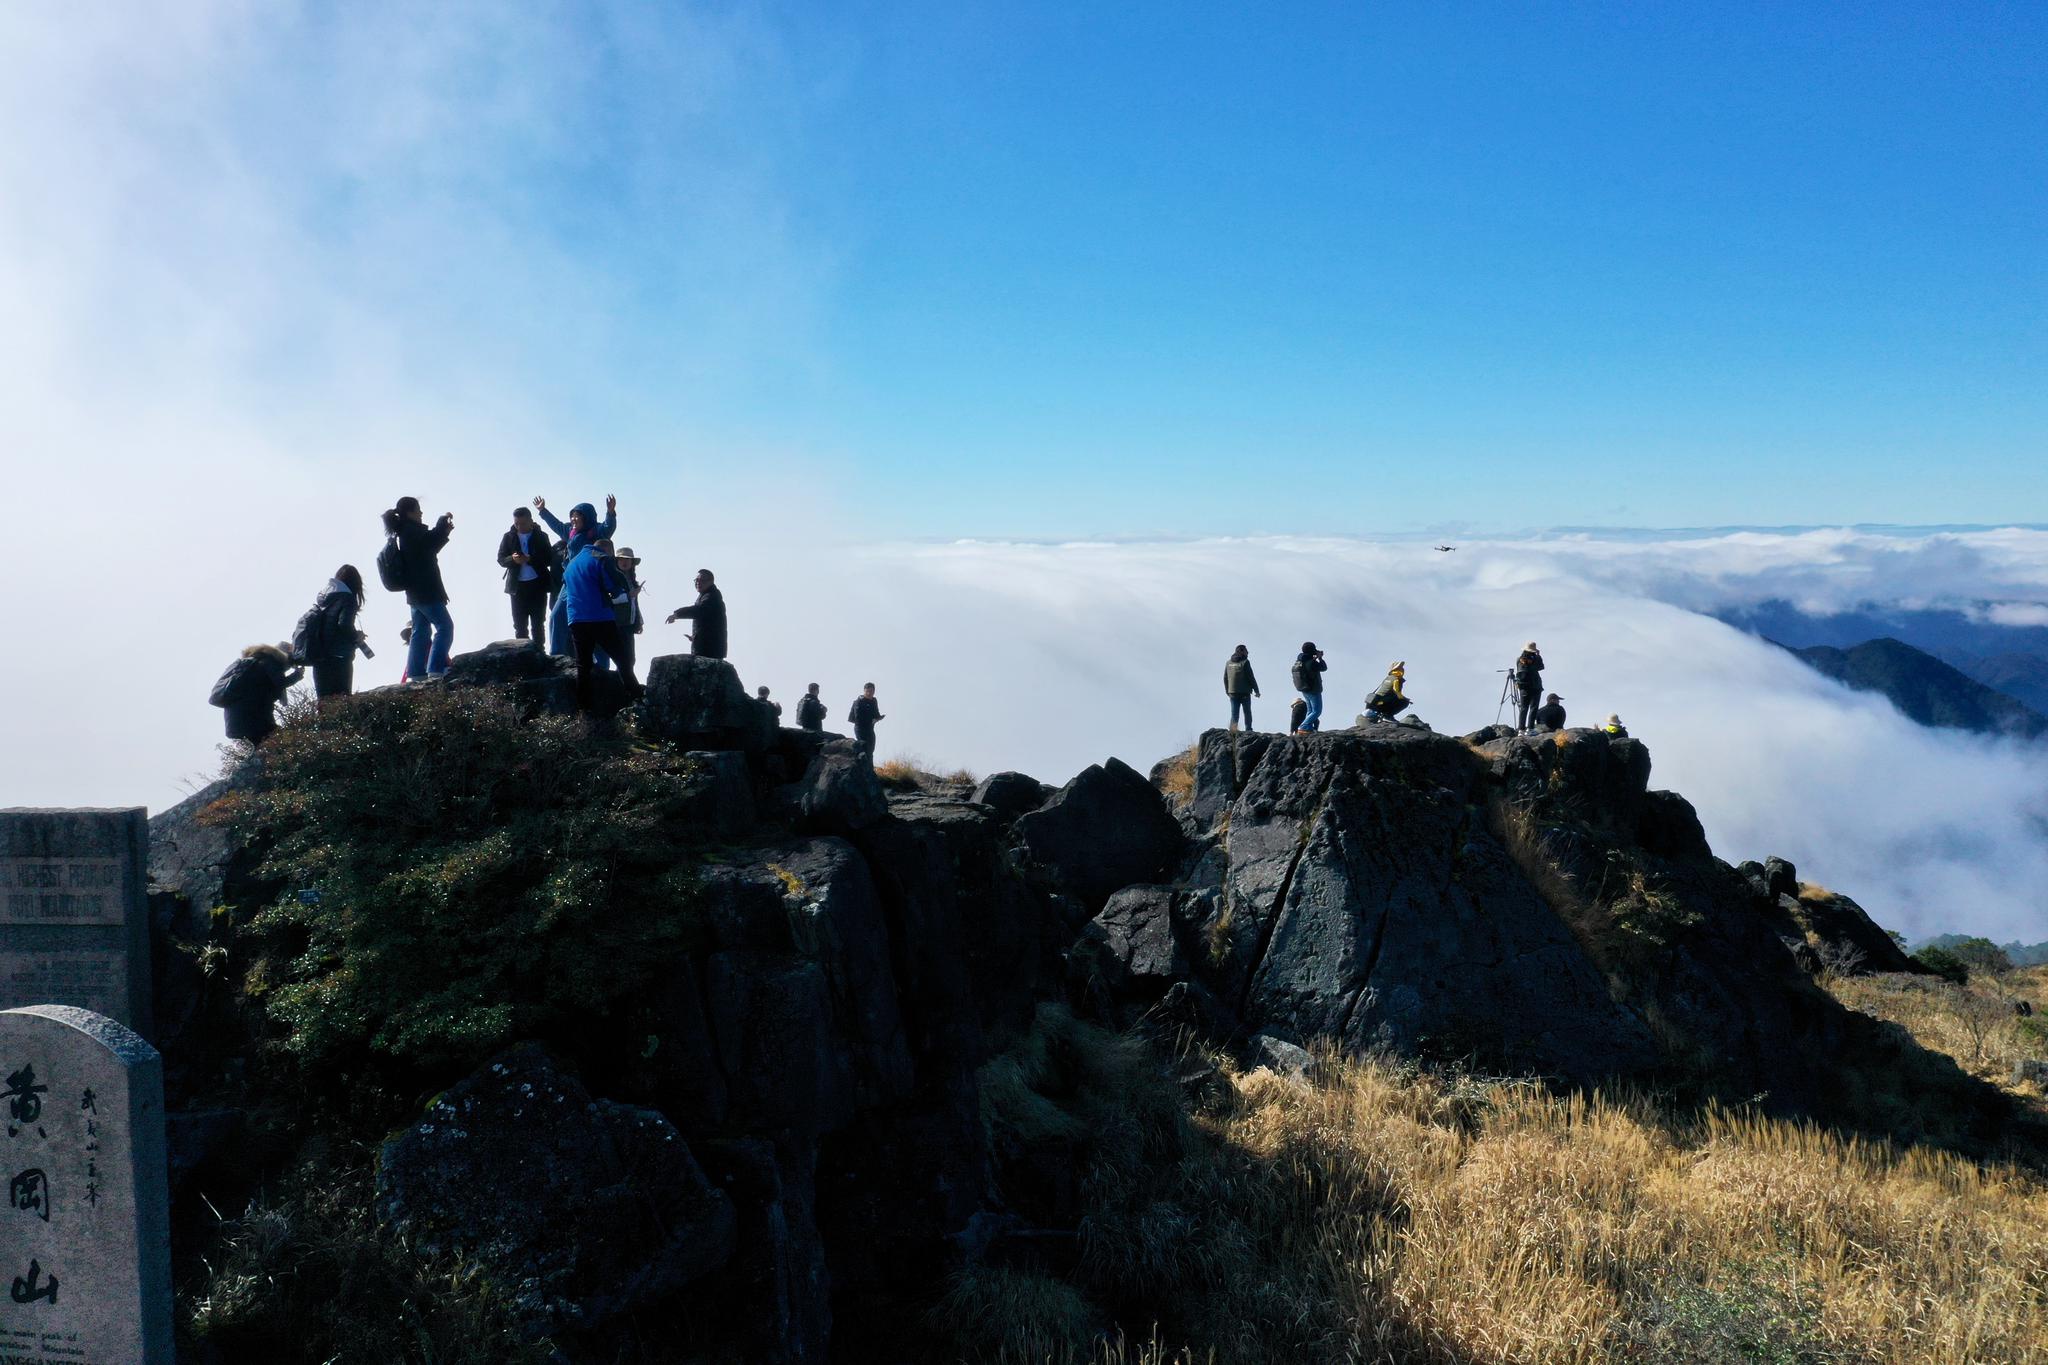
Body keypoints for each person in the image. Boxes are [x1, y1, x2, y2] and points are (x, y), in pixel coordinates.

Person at [560, 538, 639, 713]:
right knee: (623, 659)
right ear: (608, 550)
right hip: (600, 617)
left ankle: (584, 708)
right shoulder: (601, 558)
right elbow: (613, 586)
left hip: (576, 618)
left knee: (583, 665)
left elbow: (565, 581)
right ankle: (635, 697)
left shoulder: (573, 562)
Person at [534, 494, 616, 657]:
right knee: (557, 616)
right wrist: (543, 510)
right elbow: (555, 524)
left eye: (577, 516)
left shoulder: (596, 532)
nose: (573, 519)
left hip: (591, 583)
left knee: (594, 623)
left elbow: (608, 527)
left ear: (587, 518)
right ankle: (556, 654)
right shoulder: (569, 532)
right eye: (572, 516)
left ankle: (599, 663)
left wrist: (611, 512)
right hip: (571, 582)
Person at [383, 497, 455, 679]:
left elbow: (428, 549)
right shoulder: (410, 532)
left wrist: (443, 531)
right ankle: (436, 669)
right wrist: (441, 526)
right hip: (426, 590)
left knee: (421, 631)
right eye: (418, 510)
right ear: (410, 513)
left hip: (415, 592)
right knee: (445, 627)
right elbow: (428, 545)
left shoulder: (405, 532)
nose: (421, 513)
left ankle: (416, 673)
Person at [210, 642, 303, 744]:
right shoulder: (270, 661)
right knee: (282, 744)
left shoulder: (254, 662)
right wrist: (297, 675)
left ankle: (256, 759)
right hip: (255, 718)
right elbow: (280, 683)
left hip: (238, 719)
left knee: (264, 746)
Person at [300, 566, 370, 700]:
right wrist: (356, 636)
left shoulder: (324, 598)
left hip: (320, 657)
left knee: (324, 704)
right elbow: (344, 625)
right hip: (339, 658)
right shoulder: (348, 599)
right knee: (342, 702)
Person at [497, 507, 556, 648]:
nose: (519, 527)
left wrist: (530, 559)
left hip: (538, 585)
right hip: (517, 587)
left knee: (538, 624)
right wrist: (512, 559)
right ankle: (522, 657)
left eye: (522, 523)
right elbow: (500, 559)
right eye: (517, 523)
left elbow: (549, 559)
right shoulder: (508, 536)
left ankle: (539, 654)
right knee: (519, 625)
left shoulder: (541, 536)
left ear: (530, 521)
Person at [665, 569, 728, 659]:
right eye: (696, 580)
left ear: (710, 582)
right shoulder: (704, 595)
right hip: (706, 647)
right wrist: (696, 637)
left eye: (702, 580)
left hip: (711, 650)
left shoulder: (712, 596)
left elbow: (698, 611)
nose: (698, 583)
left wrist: (677, 614)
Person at [610, 546, 646, 672]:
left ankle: (623, 685)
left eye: (628, 560)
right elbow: (607, 599)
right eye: (621, 559)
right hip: (617, 624)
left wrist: (639, 621)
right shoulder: (613, 578)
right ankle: (622, 685)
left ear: (632, 563)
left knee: (630, 659)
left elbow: (635, 604)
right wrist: (628, 596)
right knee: (624, 659)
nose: (624, 562)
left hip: (628, 625)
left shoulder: (631, 580)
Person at [1291, 642, 1328, 733]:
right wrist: (1320, 658)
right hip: (1313, 689)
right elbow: (1323, 668)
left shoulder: (1300, 660)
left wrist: (1314, 658)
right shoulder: (1311, 662)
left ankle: (1308, 728)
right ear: (1312, 650)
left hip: (1304, 688)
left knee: (1310, 710)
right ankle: (1303, 726)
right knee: (1317, 711)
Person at [1223, 644, 1260, 731]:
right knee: (1247, 713)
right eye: (1246, 650)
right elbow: (1251, 677)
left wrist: (1227, 691)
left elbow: (1225, 678)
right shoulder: (1245, 662)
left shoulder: (1228, 663)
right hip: (1244, 693)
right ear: (1242, 651)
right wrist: (1256, 690)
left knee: (1234, 714)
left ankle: (1233, 731)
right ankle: (1248, 730)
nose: (1248, 652)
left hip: (1232, 692)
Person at [1514, 641, 1545, 731]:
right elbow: (1541, 667)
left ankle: (1521, 730)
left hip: (1523, 687)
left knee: (1523, 708)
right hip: (1535, 686)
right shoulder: (1534, 659)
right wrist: (1538, 656)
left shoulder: (1519, 659)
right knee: (1533, 707)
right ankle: (1530, 729)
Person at [849, 683, 884, 756]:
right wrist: (871, 720)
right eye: (867, 691)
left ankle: (869, 766)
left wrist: (878, 718)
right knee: (864, 748)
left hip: (870, 728)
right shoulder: (859, 702)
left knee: (871, 749)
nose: (869, 693)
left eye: (871, 691)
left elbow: (876, 713)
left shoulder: (874, 701)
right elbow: (857, 718)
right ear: (864, 691)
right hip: (860, 729)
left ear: (874, 692)